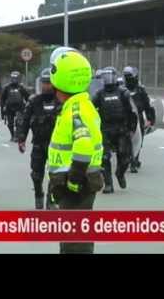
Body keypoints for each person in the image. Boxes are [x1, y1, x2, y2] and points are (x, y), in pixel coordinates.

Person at [47, 47, 104, 254]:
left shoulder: (76, 110)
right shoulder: (81, 105)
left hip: (76, 184)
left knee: (75, 241)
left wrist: (73, 180)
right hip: (82, 181)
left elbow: (83, 145)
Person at [16, 68, 60, 210]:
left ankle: (51, 200)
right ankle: (39, 195)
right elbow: (25, 120)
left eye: (49, 83)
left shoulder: (61, 101)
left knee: (56, 174)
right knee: (36, 174)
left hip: (57, 145)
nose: (46, 86)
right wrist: (21, 138)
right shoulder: (34, 101)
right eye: (44, 83)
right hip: (39, 144)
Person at [93, 67, 138, 194]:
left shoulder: (123, 93)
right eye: (106, 77)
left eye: (110, 76)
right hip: (105, 129)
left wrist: (132, 128)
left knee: (125, 157)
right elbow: (89, 109)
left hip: (121, 129)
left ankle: (119, 173)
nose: (108, 80)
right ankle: (108, 184)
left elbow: (131, 112)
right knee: (105, 158)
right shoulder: (99, 94)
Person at [123, 66, 156, 169]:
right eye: (127, 77)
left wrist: (150, 119)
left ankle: (134, 160)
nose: (129, 79)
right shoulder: (122, 89)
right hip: (126, 117)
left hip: (138, 117)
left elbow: (147, 104)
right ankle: (132, 159)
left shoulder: (140, 90)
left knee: (138, 138)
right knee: (127, 138)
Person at [0, 71, 29, 142]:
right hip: (9, 108)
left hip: (20, 107)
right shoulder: (7, 87)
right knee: (10, 123)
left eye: (16, 78)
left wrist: (28, 108)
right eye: (13, 78)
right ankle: (12, 135)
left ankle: (17, 135)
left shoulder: (21, 87)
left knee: (19, 122)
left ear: (19, 79)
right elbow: (2, 99)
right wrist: (2, 112)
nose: (14, 80)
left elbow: (27, 97)